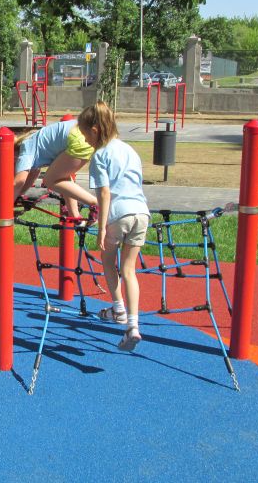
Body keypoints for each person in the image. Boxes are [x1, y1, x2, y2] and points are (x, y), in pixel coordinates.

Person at [77, 101, 150, 352]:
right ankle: (133, 326)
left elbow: (105, 193)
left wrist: (102, 227)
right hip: (141, 213)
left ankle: (118, 307)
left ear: (95, 130)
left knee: (108, 261)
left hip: (118, 215)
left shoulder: (99, 156)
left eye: (85, 134)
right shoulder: (130, 150)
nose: (85, 140)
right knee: (129, 270)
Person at [14, 118, 97, 217]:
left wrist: (4, 206)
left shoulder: (25, 151)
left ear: (14, 155)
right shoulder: (35, 144)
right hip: (86, 131)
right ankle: (75, 215)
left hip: (78, 138)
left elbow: (18, 182)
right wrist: (17, 195)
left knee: (49, 181)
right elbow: (31, 177)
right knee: (61, 179)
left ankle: (96, 203)